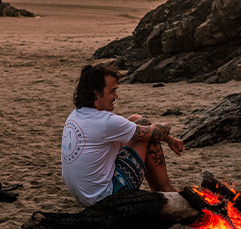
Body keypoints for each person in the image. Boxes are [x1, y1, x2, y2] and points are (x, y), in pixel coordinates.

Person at [61, 64, 184, 206]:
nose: (116, 96)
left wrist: (168, 139)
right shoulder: (106, 122)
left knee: (135, 119)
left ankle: (162, 188)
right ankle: (164, 188)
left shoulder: (75, 114)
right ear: (96, 93)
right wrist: (167, 130)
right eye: (112, 91)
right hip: (105, 197)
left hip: (83, 194)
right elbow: (157, 131)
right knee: (144, 125)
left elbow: (139, 127)